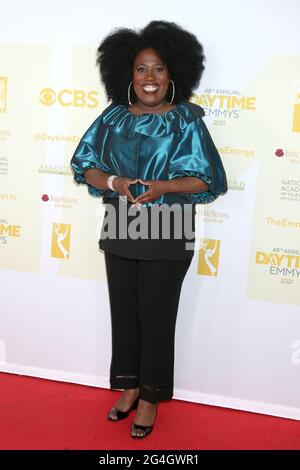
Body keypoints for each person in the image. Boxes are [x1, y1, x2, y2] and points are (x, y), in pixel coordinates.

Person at [70, 20, 227, 439]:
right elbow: (85, 166)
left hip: (169, 229)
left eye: (158, 68)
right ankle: (129, 386)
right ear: (127, 74)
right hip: (120, 225)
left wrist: (161, 186)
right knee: (124, 314)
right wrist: (116, 182)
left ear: (174, 72)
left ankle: (152, 396)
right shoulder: (113, 118)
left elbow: (208, 179)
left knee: (156, 317)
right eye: (141, 69)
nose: (150, 78)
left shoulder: (186, 121)